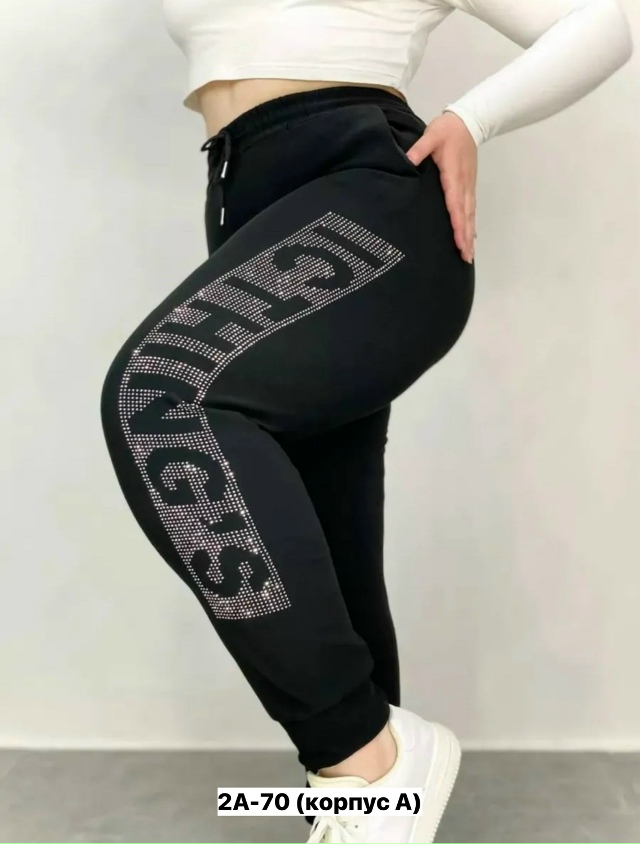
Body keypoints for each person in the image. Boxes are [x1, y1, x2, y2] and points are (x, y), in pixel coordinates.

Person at [100, 1, 633, 841]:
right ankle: (362, 806)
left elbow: (601, 23)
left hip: (371, 189)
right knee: (324, 518)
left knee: (162, 397)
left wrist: (474, 119)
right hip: (249, 197)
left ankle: (361, 753)